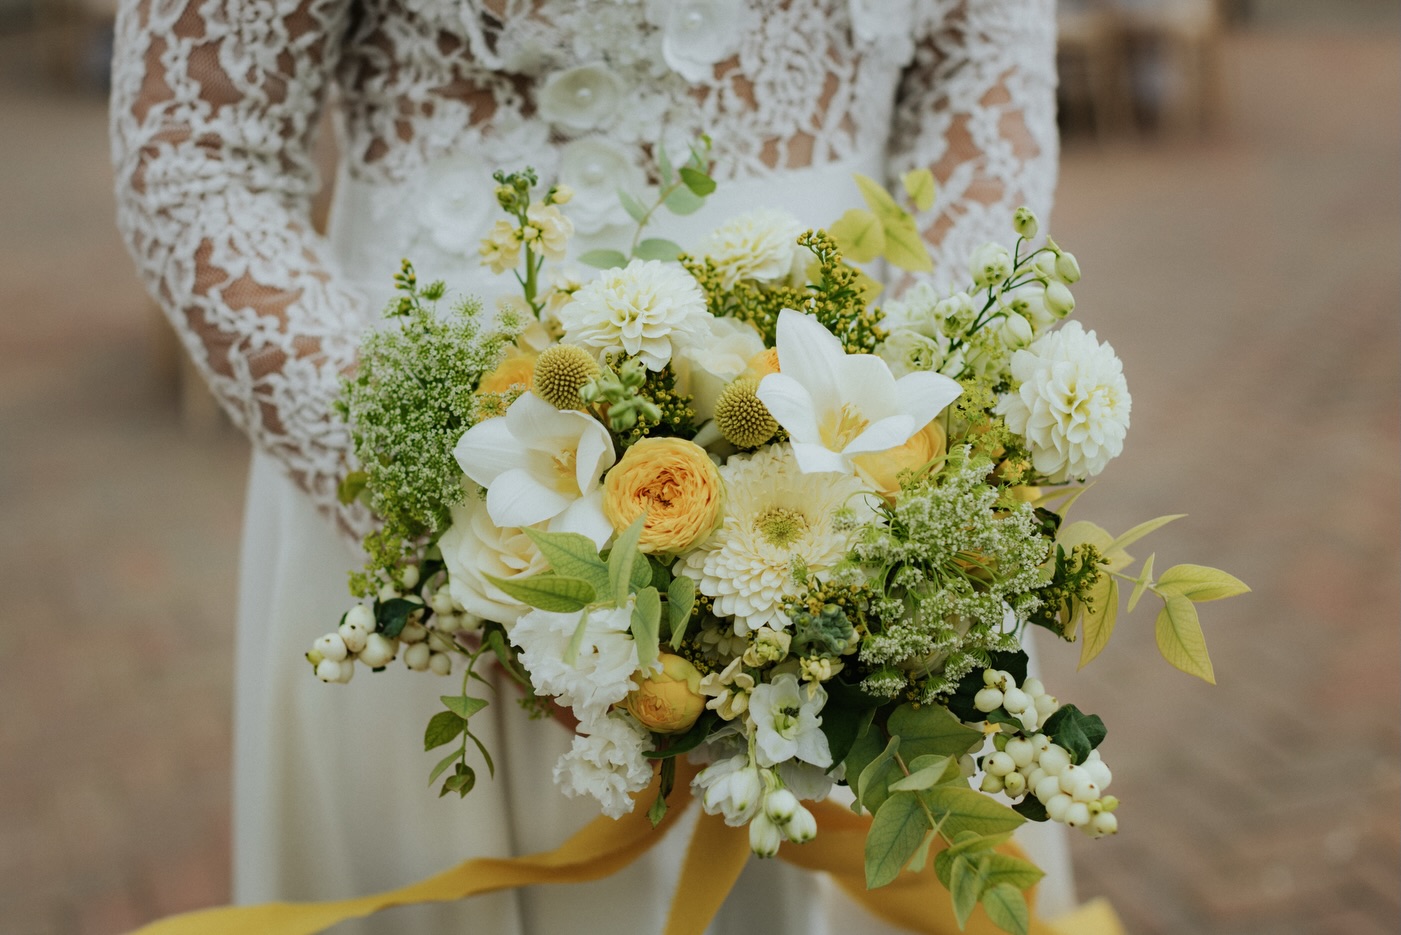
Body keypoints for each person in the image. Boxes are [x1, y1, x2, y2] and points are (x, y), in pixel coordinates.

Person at [111, 1, 1069, 932]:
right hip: (456, 526)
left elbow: (978, 73)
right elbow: (197, 150)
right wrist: (461, 538)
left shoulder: (894, 489)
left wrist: (923, 425)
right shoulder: (455, 522)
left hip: (868, 493)